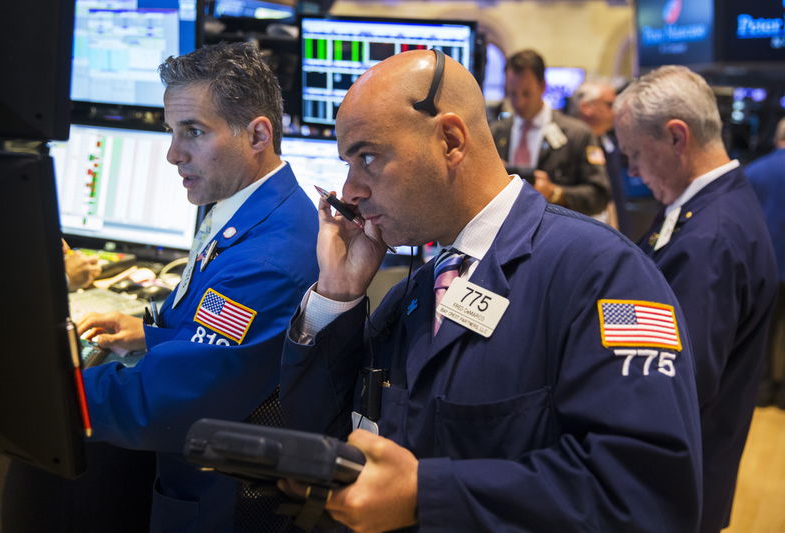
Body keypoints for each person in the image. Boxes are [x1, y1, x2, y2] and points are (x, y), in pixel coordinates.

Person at [279, 49, 702, 532]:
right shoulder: (414, 292)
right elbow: (320, 436)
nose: (350, 190)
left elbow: (648, 495)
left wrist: (428, 494)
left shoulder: (605, 275)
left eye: (368, 157)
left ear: (451, 140)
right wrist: (338, 293)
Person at [71, 42, 317, 531]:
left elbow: (161, 400)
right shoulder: (248, 204)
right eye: (171, 131)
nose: (172, 154)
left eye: (194, 132)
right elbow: (229, 343)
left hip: (217, 504)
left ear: (258, 135)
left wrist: (47, 392)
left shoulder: (269, 259)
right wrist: (152, 336)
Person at [614, 65, 778, 533]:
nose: (632, 171)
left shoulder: (711, 238)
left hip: (672, 490)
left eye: (635, 155)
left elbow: (674, 382)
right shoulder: (705, 206)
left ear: (676, 137)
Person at [490, 49, 610, 216]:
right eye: (512, 94)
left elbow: (599, 196)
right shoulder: (495, 133)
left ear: (542, 86)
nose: (519, 102)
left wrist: (555, 193)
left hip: (557, 233)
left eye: (526, 93)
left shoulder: (578, 134)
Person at [744, 117, 785, 409]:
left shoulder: (755, 171)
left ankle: (762, 390)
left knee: (763, 331)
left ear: (776, 137)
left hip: (767, 265)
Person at [569, 77, 629, 232]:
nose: (615, 111)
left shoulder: (610, 142)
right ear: (586, 107)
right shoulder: (567, 144)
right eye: (610, 105)